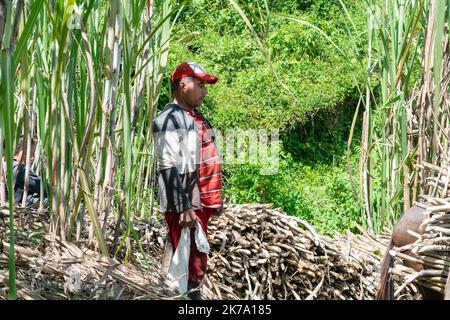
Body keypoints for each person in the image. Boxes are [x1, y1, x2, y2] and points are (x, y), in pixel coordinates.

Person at [153, 61, 223, 300]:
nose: (204, 90)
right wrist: (183, 206)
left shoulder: (195, 116)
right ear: (182, 85)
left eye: (206, 85)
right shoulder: (170, 119)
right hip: (186, 205)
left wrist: (214, 200)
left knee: (192, 262)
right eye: (200, 84)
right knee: (188, 267)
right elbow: (168, 164)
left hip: (198, 203)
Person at [1, 136, 42, 206]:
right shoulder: (20, 169)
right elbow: (41, 186)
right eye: (29, 153)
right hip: (19, 206)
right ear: (15, 152)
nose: (33, 157)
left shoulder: (4, 165)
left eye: (33, 154)